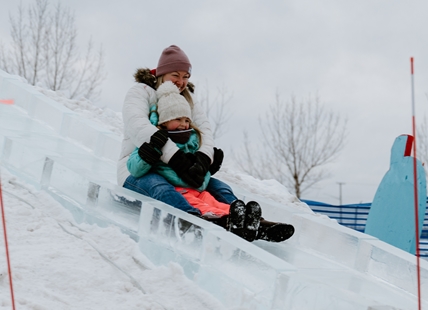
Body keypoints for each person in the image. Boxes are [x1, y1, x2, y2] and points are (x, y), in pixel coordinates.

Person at [118, 45, 294, 242]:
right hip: (140, 170)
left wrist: (202, 160)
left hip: (178, 172)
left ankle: (248, 221)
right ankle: (195, 220)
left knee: (218, 187)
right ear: (161, 74)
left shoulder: (188, 99)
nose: (181, 82)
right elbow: (139, 127)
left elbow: (204, 130)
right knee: (160, 186)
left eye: (186, 77)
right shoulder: (141, 92)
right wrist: (177, 159)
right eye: (175, 75)